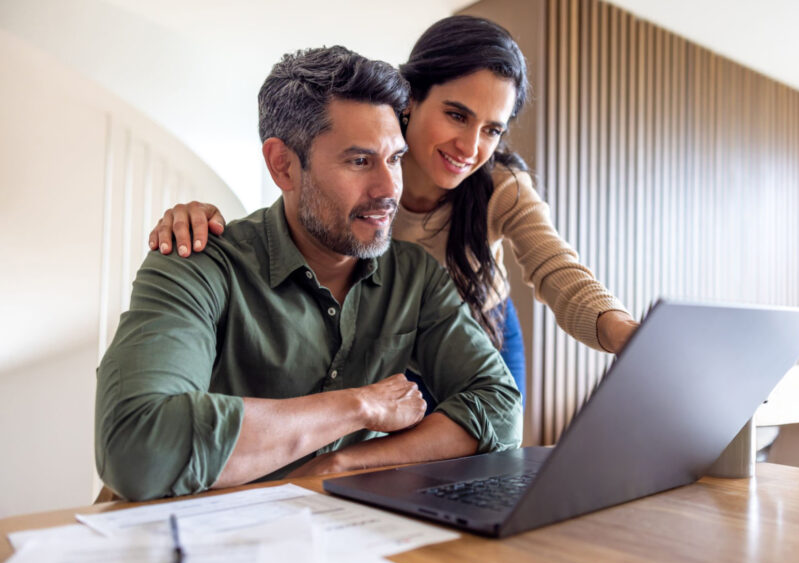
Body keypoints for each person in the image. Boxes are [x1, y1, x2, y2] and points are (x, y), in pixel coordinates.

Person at [96, 45, 521, 502]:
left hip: (343, 540)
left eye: (395, 159)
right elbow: (138, 447)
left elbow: (500, 410)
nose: (388, 189)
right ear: (283, 165)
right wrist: (358, 407)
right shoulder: (195, 262)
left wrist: (341, 464)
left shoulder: (416, 277)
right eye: (359, 161)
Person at [150, 16, 640, 410]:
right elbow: (302, 210)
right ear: (410, 100)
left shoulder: (499, 187)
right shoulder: (361, 176)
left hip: (480, 325)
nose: (470, 148)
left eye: (492, 129)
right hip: (389, 336)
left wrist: (627, 335)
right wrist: (200, 217)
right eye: (456, 115)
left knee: (489, 457)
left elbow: (557, 268)